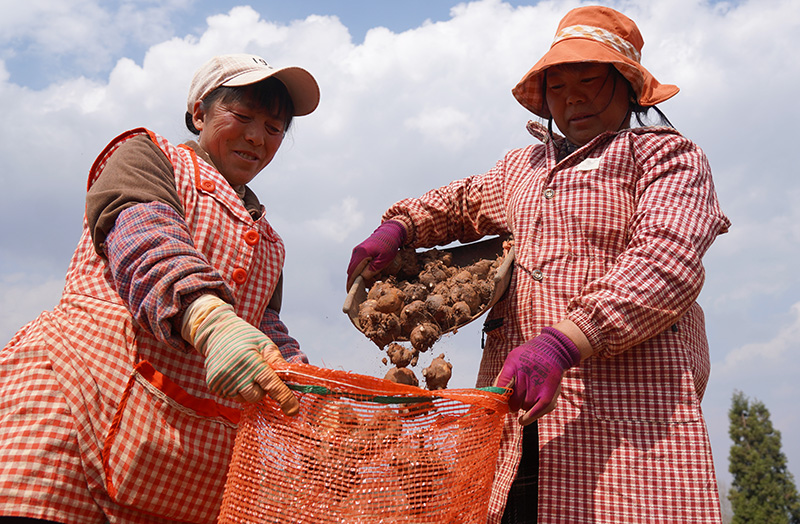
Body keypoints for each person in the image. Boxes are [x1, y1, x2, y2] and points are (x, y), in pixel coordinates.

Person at [346, 6, 730, 524]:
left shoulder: (668, 159)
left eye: (590, 79)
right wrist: (399, 228)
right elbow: (460, 202)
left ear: (628, 85)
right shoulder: (522, 167)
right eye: (557, 85)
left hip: (628, 414)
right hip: (517, 406)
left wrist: (564, 341)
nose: (572, 96)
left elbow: (667, 260)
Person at [0, 54, 319, 523]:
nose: (257, 136)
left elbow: (265, 328)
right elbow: (144, 235)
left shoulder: (269, 241)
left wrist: (314, 390)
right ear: (199, 113)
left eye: (274, 128)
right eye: (244, 116)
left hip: (171, 456)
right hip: (74, 404)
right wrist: (209, 320)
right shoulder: (148, 156)